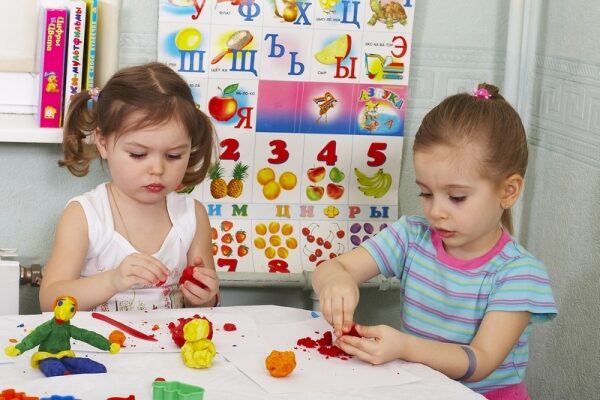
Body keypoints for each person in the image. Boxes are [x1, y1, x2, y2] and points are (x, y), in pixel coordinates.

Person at [312, 83, 557, 399]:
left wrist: (404, 347)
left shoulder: (519, 274)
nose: (436, 211)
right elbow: (333, 268)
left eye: (456, 197)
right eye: (426, 193)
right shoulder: (412, 237)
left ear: (508, 191)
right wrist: (336, 282)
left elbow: (479, 361)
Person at [39, 62, 219, 312]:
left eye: (174, 155)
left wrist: (204, 296)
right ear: (102, 142)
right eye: (138, 154)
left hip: (168, 349)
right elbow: (49, 302)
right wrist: (113, 280)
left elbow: (204, 304)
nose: (157, 169)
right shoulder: (85, 215)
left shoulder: (191, 215)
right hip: (98, 349)